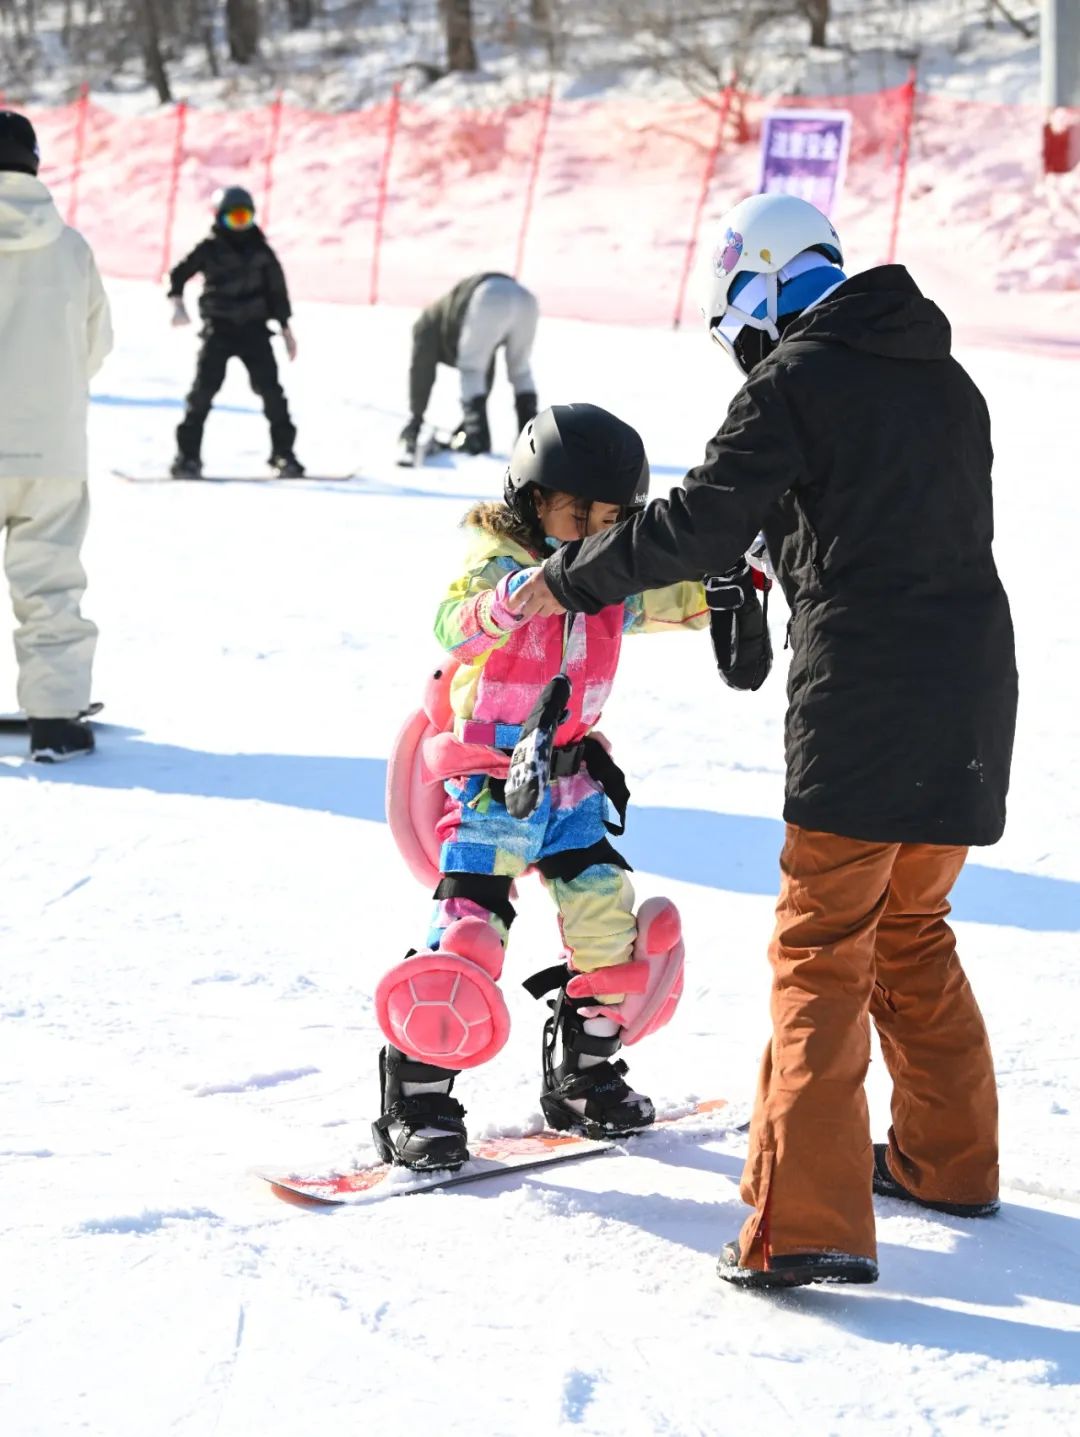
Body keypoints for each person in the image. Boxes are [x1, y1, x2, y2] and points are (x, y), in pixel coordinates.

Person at [513, 193, 1017, 1289]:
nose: (743, 351)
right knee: (913, 930)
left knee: (823, 950)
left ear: (766, 289)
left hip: (868, 702)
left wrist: (564, 578)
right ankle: (949, 1159)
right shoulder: (946, 378)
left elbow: (693, 519)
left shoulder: (798, 377)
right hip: (973, 696)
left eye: (742, 327)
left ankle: (807, 1222)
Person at [372, 403, 722, 1172]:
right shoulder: (500, 564)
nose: (592, 533)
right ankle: (419, 1093)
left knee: (605, 921)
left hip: (570, 783)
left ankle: (583, 1072)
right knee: (470, 930)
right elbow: (451, 624)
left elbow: (667, 595)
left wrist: (726, 581)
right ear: (533, 499)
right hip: (495, 784)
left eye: (610, 518)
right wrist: (509, 599)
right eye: (577, 514)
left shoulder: (606, 574)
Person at [0, 110, 113, 762]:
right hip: (52, 446)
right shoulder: (71, 247)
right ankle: (55, 716)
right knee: (49, 584)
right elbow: (96, 346)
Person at [167, 186, 304, 479]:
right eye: (234, 219)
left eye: (245, 218)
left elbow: (277, 292)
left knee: (272, 394)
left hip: (255, 331)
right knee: (202, 394)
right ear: (219, 218)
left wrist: (286, 329)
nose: (240, 225)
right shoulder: (210, 248)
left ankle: (284, 454)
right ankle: (187, 457)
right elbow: (178, 274)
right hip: (219, 330)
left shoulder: (261, 251)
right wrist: (177, 303)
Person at [398, 272, 539, 463]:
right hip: (525, 298)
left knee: (472, 368)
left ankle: (477, 438)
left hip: (488, 296)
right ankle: (532, 439)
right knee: (520, 369)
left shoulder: (426, 325)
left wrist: (416, 417)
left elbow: (421, 370)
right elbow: (485, 374)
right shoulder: (448, 314)